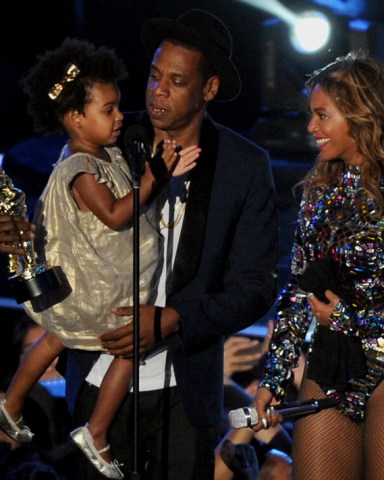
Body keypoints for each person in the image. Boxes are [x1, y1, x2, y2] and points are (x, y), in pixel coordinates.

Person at [62, 9, 279, 480]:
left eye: (176, 81)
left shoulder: (243, 166)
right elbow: (57, 241)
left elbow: (257, 286)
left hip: (186, 389)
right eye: (155, 75)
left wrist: (176, 319)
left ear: (209, 89)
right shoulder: (108, 142)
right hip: (98, 379)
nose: (157, 90)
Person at [0, 37, 199, 479]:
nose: (118, 117)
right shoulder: (80, 169)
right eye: (107, 110)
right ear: (75, 118)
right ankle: (97, 430)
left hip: (95, 282)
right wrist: (154, 178)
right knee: (128, 344)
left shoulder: (103, 156)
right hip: (95, 286)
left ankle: (12, 402)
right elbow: (115, 214)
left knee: (55, 336)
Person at [252, 51, 384, 480]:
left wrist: (347, 318)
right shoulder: (320, 194)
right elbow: (298, 290)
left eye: (322, 116)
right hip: (331, 363)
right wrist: (272, 379)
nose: (311, 127)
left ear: (358, 116)